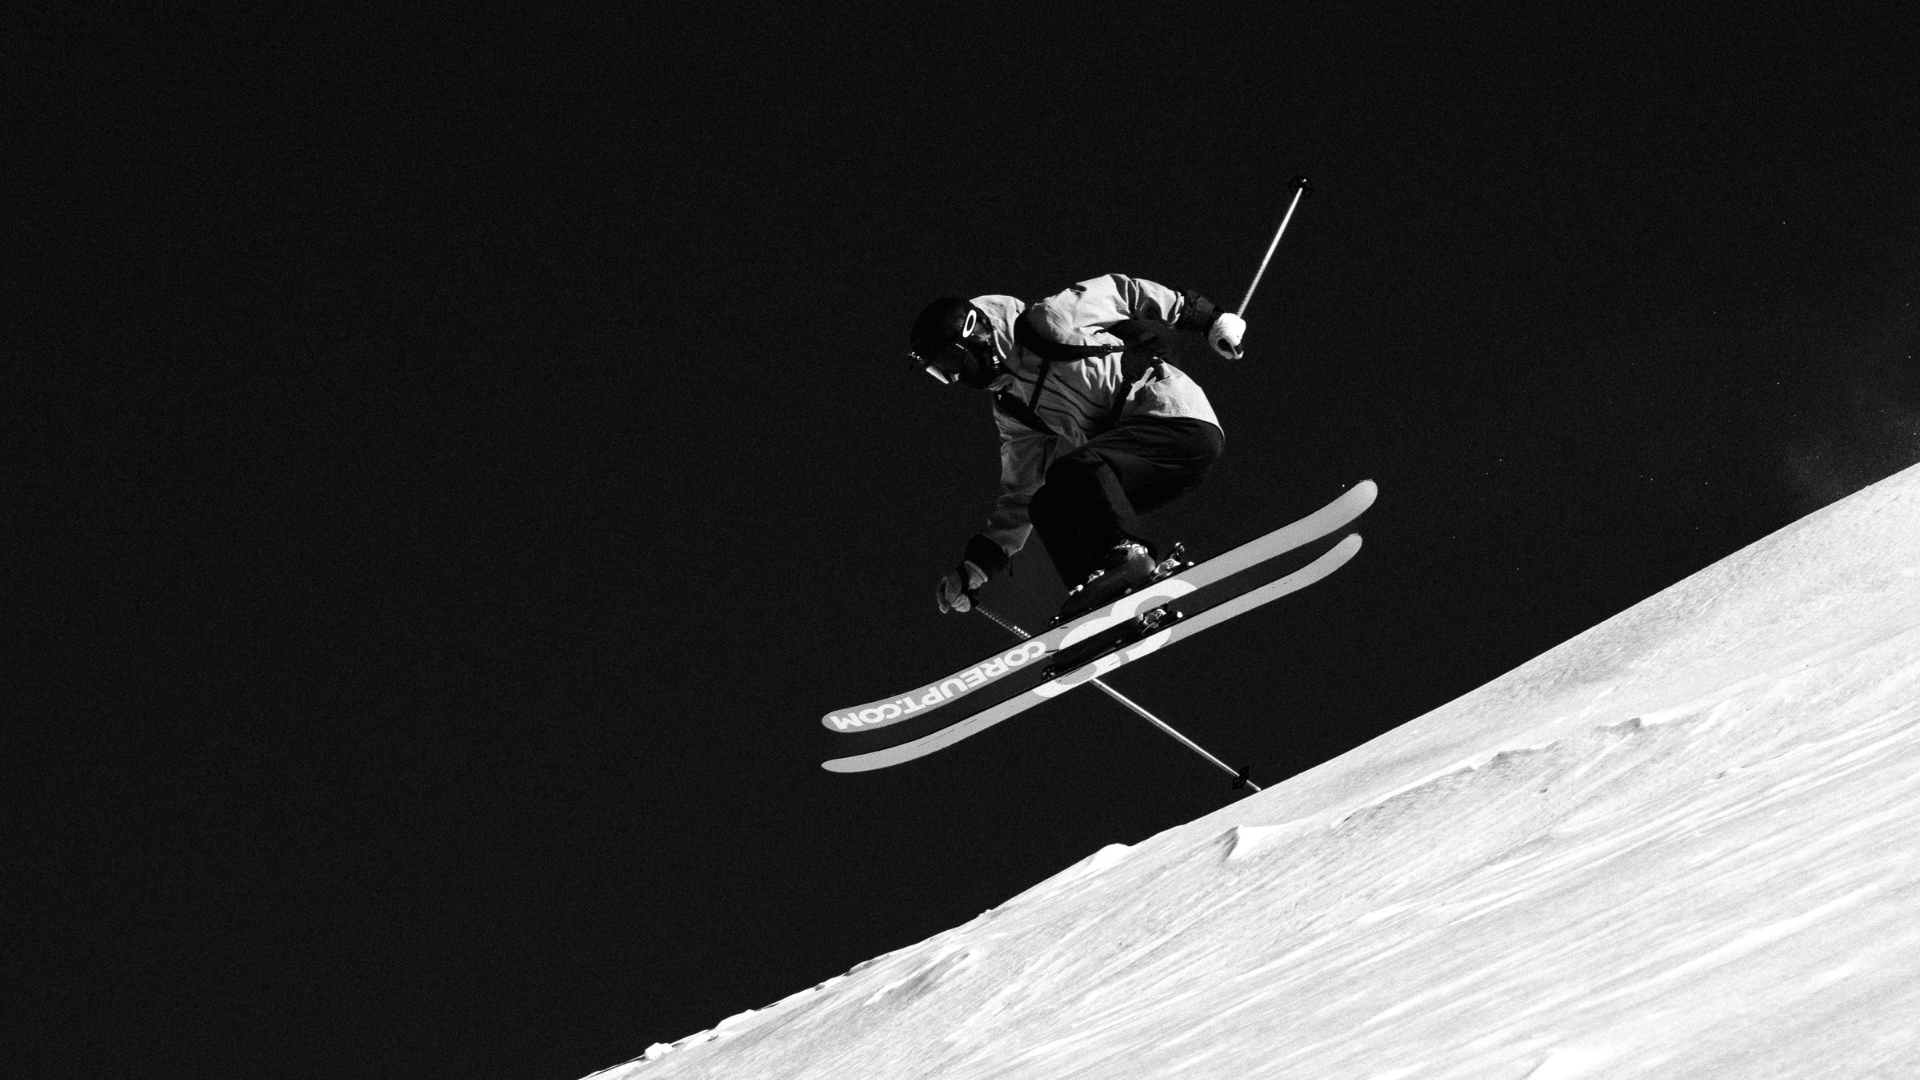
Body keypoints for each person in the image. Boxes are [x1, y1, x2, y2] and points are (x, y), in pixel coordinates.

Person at [908, 273, 1247, 622]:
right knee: (1047, 504)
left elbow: (1127, 291)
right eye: (940, 373)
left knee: (1073, 471)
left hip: (1176, 420)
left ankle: (1131, 559)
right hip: (1133, 464)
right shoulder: (1013, 407)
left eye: (949, 362)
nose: (953, 377)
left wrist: (1208, 318)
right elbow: (1020, 495)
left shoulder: (1051, 318)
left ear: (974, 334)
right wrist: (973, 569)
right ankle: (1102, 597)